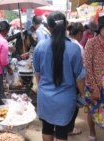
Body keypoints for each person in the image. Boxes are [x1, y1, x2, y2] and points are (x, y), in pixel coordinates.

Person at [33, 11, 85, 141]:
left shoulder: (40, 47)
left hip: (45, 97)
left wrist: (44, 88)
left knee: (47, 129)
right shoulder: (74, 48)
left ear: (49, 27)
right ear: (66, 25)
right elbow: (79, 78)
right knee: (62, 133)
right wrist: (84, 95)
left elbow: (37, 75)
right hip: (66, 100)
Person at [66, 22, 85, 136]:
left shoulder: (65, 43)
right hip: (74, 81)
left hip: (64, 80)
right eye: (82, 33)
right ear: (79, 33)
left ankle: (65, 126)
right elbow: (81, 69)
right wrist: (82, 92)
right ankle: (70, 128)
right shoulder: (78, 47)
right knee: (75, 105)